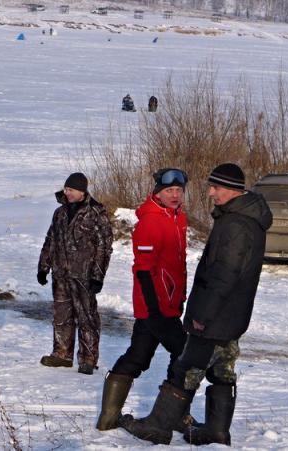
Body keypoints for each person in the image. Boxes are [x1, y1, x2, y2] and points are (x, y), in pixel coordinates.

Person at [120, 163, 273, 446]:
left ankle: (158, 426)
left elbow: (224, 275)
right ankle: (216, 430)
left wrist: (202, 314)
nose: (211, 193)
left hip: (217, 315)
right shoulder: (245, 217)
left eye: (215, 188)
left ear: (231, 190)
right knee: (222, 370)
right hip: (233, 314)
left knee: (186, 367)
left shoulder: (237, 224)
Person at [97, 168, 190, 431]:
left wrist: (178, 297)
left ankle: (108, 417)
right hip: (155, 306)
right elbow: (143, 270)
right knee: (185, 355)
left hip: (168, 304)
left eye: (178, 191)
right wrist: (153, 308)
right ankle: (173, 417)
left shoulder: (178, 218)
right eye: (169, 190)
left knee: (138, 357)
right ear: (157, 193)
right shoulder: (151, 221)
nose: (174, 195)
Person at [37, 173, 113, 375]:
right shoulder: (59, 213)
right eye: (66, 189)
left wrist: (98, 275)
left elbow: (104, 247)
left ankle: (88, 359)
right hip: (60, 274)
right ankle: (61, 355)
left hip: (84, 275)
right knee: (61, 315)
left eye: (71, 190)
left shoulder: (96, 212)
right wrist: (43, 266)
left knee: (86, 317)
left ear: (82, 191)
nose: (67, 193)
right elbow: (50, 240)